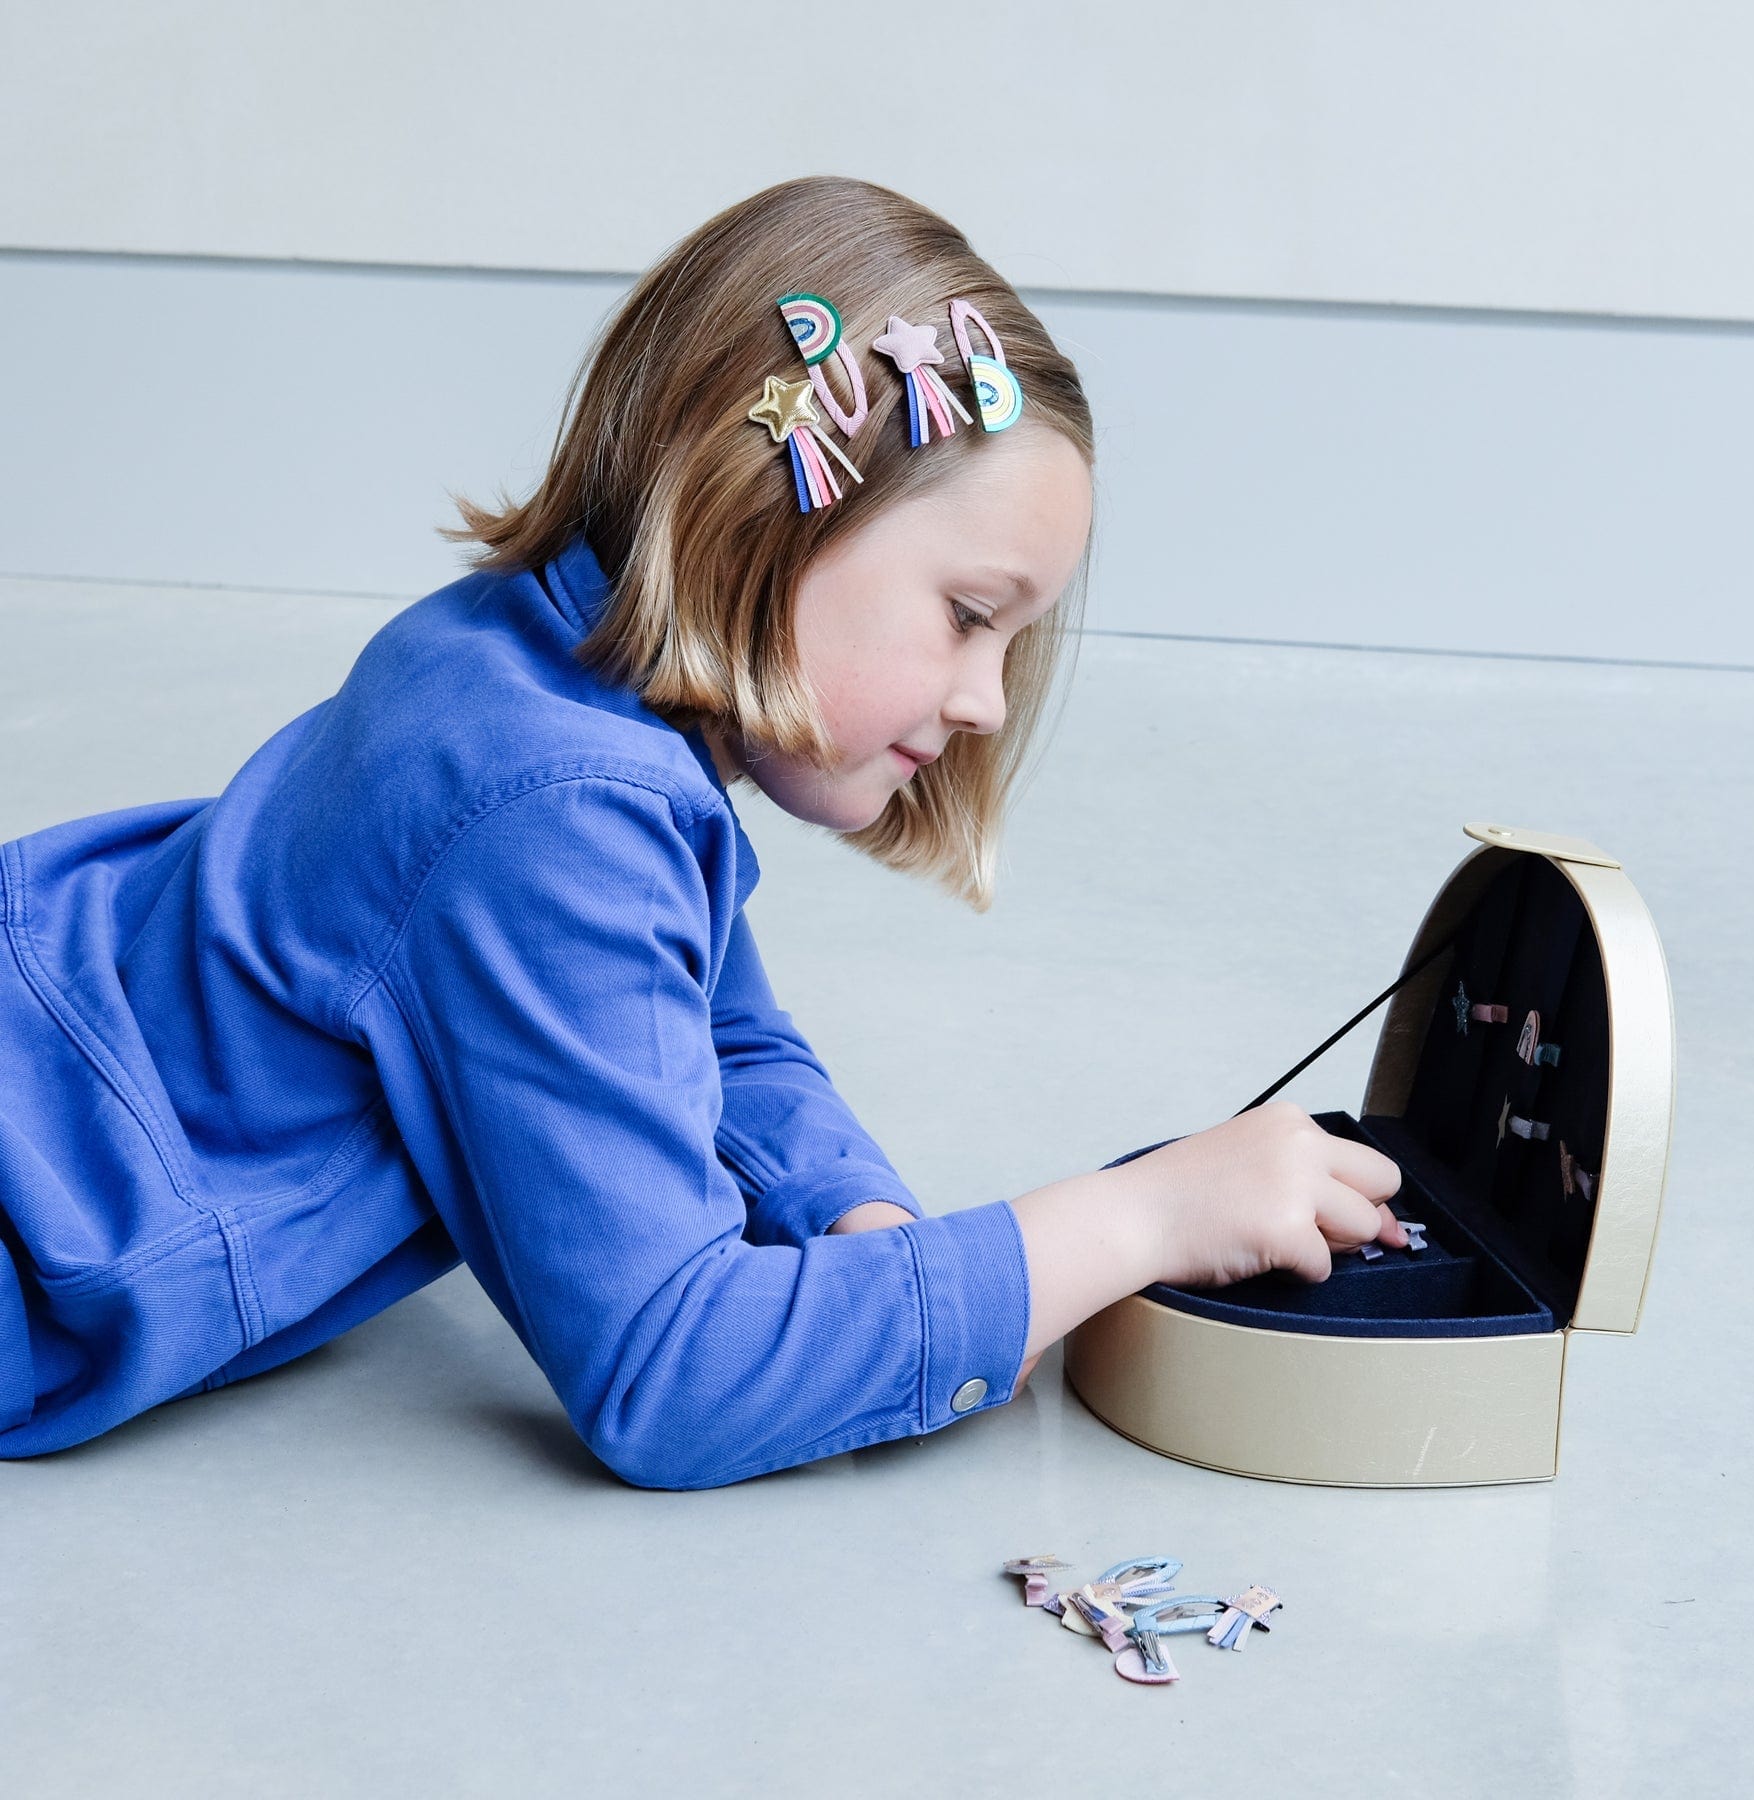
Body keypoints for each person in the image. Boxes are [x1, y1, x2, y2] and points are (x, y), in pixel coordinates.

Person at [0, 176, 1404, 1485]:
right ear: (761, 520)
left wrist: (872, 1240)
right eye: (970, 616)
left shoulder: (526, 666)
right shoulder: (560, 810)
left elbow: (715, 1032)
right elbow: (672, 1370)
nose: (986, 701)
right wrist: (1138, 1217)